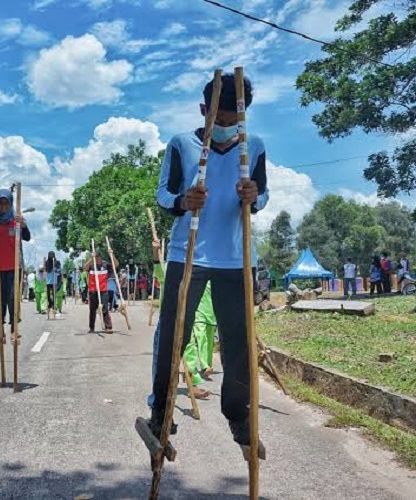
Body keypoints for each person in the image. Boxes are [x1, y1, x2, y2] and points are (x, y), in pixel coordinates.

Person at [150, 73, 269, 457]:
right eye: (218, 119)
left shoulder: (255, 148)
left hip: (235, 259)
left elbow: (262, 196)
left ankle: (238, 417)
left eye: (233, 119)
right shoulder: (182, 144)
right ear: (204, 111)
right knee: (173, 338)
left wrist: (254, 195)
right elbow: (163, 195)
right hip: (188, 255)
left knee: (237, 345)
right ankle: (162, 412)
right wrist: (184, 201)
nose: (225, 126)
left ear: (245, 116)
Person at [0, 188, 30, 342]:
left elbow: (27, 237)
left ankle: (14, 329)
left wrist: (23, 225)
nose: (3, 207)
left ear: (10, 204)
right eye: (0, 204)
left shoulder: (16, 219)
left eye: (6, 204)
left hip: (14, 266)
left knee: (13, 298)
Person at [85, 249, 112, 333]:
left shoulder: (105, 264)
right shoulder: (91, 265)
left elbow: (116, 265)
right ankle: (91, 327)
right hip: (93, 290)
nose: (96, 259)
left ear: (100, 257)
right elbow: (85, 267)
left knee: (105, 308)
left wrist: (112, 254)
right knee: (92, 309)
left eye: (97, 257)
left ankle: (108, 327)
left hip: (103, 290)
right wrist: (91, 258)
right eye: (95, 258)